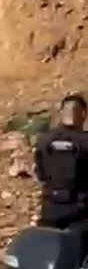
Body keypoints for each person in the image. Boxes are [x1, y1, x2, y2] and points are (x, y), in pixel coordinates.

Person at [35, 94, 88, 229]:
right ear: (83, 115)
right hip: (80, 214)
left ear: (61, 113)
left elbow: (41, 175)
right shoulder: (85, 142)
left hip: (49, 213)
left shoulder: (43, 140)